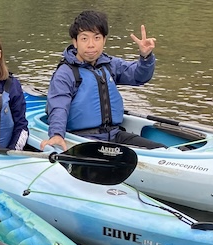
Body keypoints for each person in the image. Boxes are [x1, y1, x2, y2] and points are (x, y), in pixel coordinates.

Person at [41, 9, 164, 150]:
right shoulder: (65, 73)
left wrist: (146, 57)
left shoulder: (110, 65)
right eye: (84, 38)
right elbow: (58, 106)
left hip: (114, 135)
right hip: (82, 138)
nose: (91, 44)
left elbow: (139, 76)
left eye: (97, 38)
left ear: (104, 40)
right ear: (75, 42)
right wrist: (56, 134)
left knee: (161, 150)